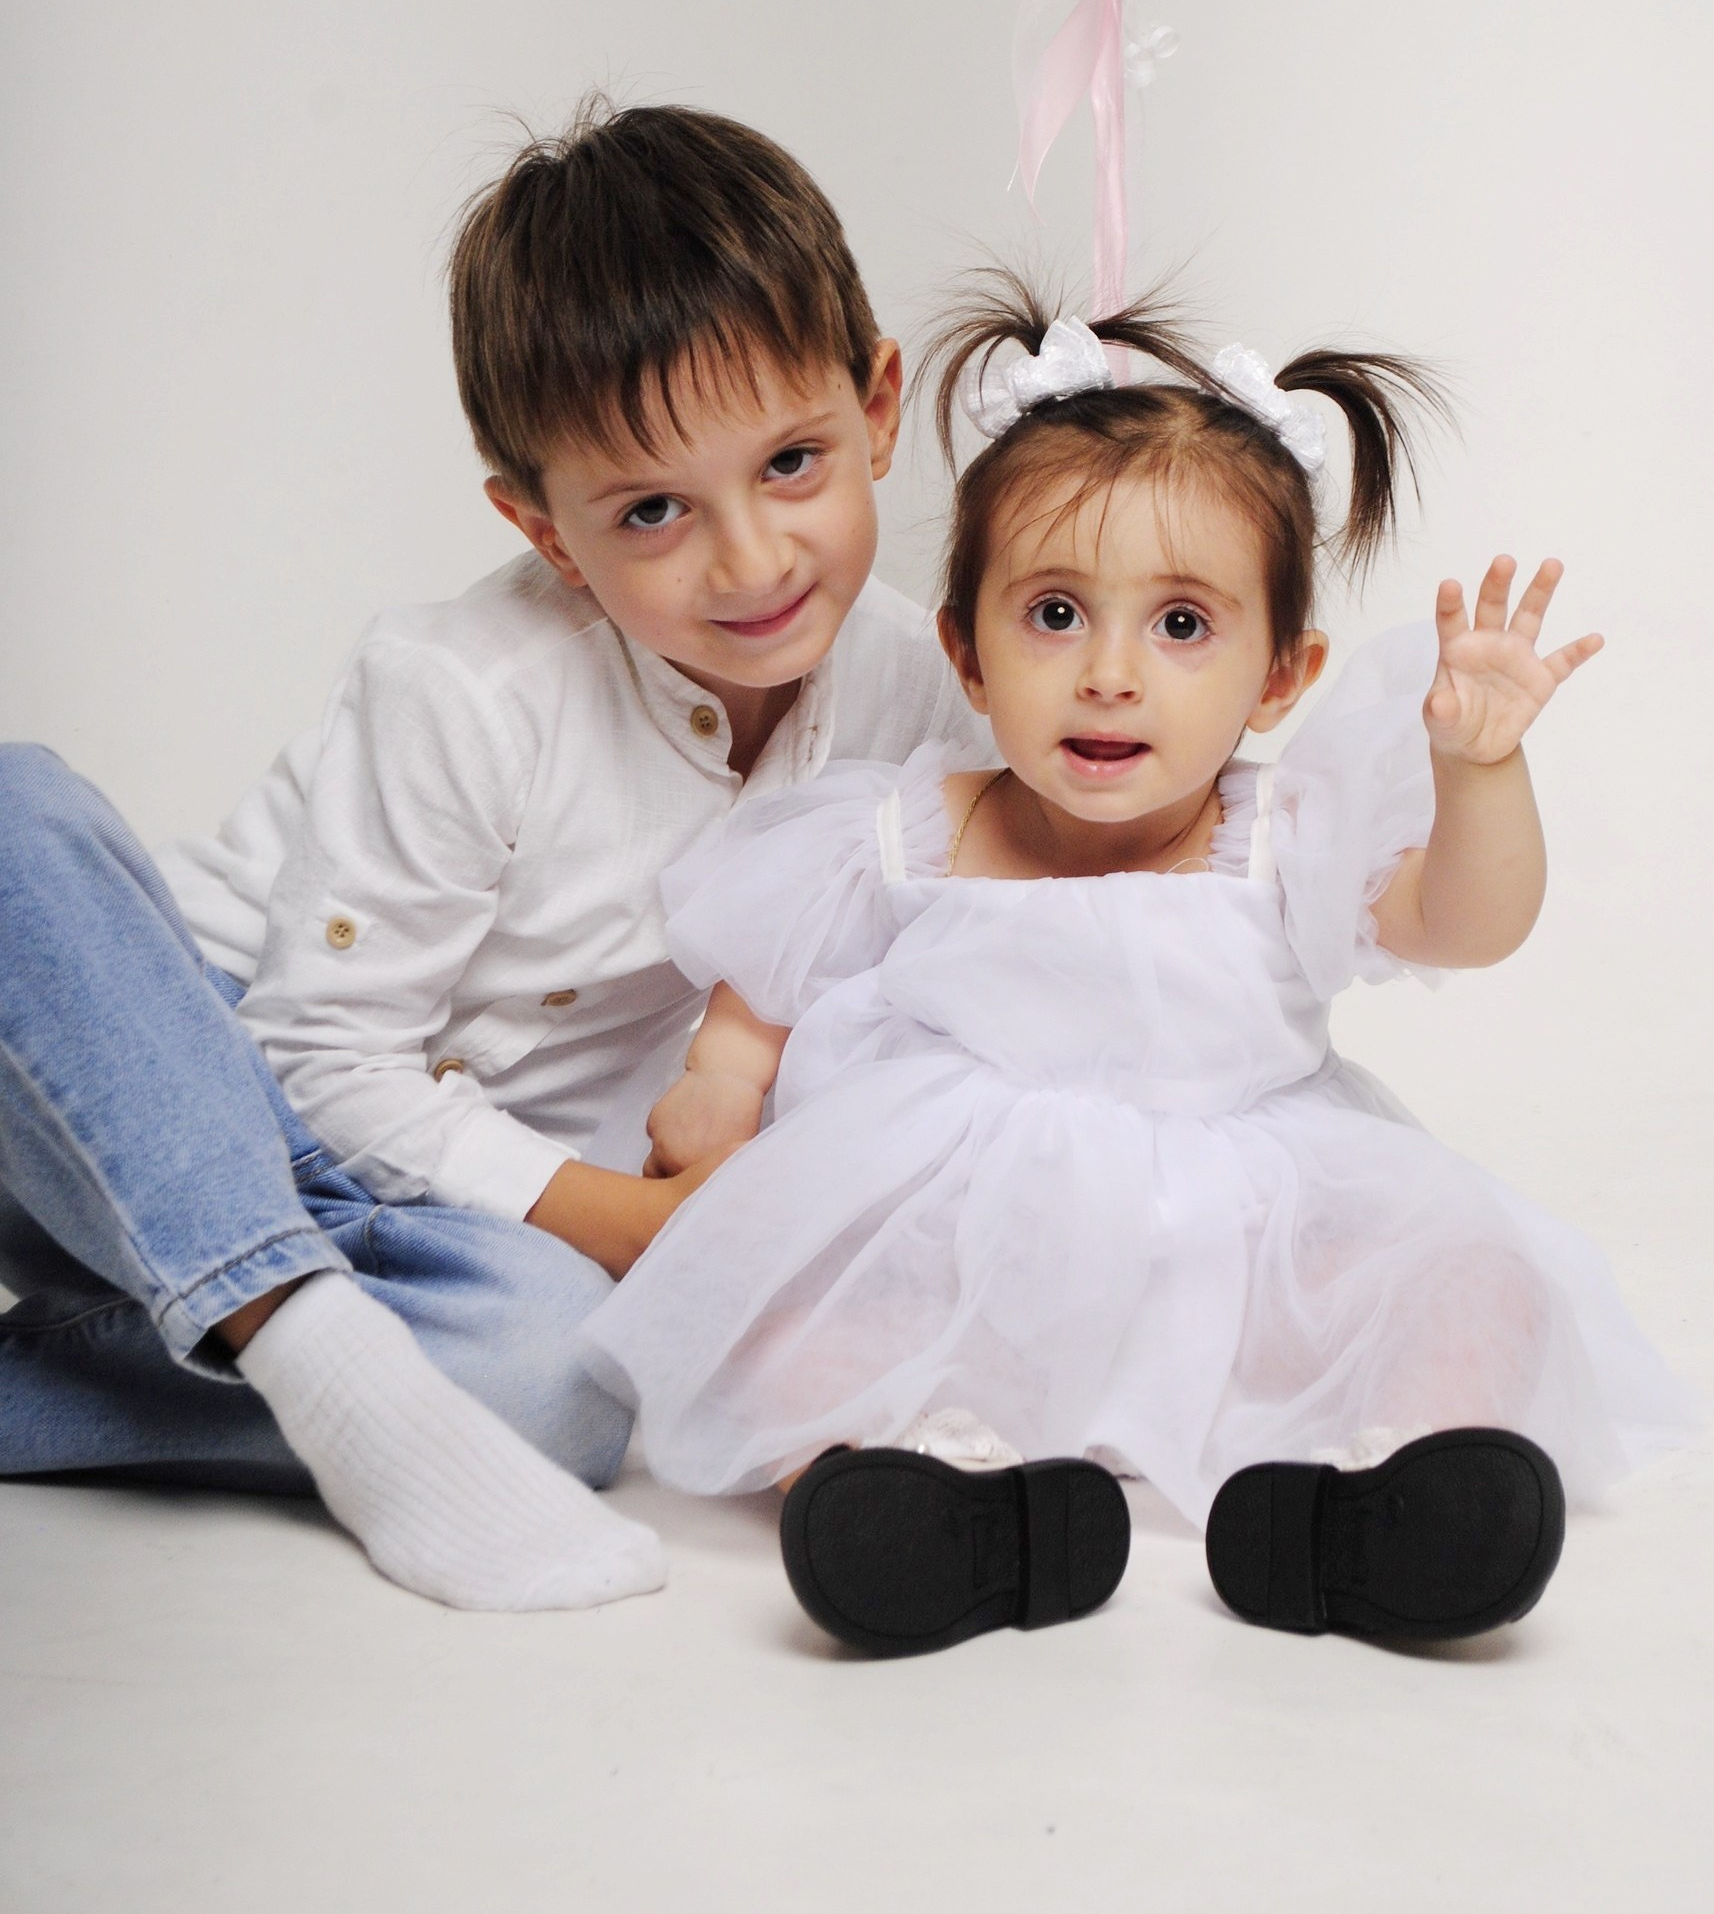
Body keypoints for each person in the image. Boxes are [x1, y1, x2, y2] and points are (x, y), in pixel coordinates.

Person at [577, 280, 1696, 1656]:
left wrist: (1480, 772)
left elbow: (1463, 925)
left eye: (1180, 627)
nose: (1110, 675)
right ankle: (942, 1504)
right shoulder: (910, 829)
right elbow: (771, 969)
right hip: (968, 1255)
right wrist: (722, 1081)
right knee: (788, 1313)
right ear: (963, 651)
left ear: (1280, 676)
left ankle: (1363, 1507)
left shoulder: (1282, 839)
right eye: (1053, 614)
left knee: (1473, 1281)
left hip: (1239, 1253)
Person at [0, 100, 983, 1611]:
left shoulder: (925, 690)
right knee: (17, 819)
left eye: (793, 462)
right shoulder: (468, 689)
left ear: (878, 407)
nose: (750, 559)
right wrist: (637, 1226)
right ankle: (307, 1342)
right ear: (545, 530)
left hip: (424, 1224)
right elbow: (323, 1057)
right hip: (153, 1091)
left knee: (559, 1386)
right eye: (650, 511)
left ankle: (262, 1351)